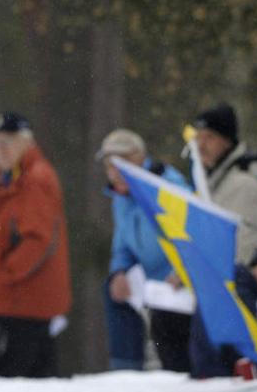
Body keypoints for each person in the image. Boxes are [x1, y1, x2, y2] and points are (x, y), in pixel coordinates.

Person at [0, 112, 72, 377]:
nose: (0, 150)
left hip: (26, 300)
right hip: (24, 300)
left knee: (18, 376)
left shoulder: (35, 179)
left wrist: (4, 275)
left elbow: (38, 240)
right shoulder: (17, 178)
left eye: (7, 142)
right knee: (39, 373)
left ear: (26, 142)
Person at [95, 129, 192, 372]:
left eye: (122, 162)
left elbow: (192, 237)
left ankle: (175, 376)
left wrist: (181, 271)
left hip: (177, 279)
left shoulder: (167, 186)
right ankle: (126, 372)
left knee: (172, 338)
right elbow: (122, 244)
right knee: (113, 290)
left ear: (140, 158)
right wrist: (119, 271)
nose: (114, 172)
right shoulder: (120, 196)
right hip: (147, 281)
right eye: (109, 164)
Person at [189, 242, 257, 382]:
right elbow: (239, 345)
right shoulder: (239, 293)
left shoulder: (244, 292)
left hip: (214, 372)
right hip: (219, 375)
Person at [193, 103, 257, 265]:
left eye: (210, 137)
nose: (201, 145)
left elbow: (246, 245)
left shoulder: (243, 183)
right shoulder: (212, 181)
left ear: (227, 141)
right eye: (199, 137)